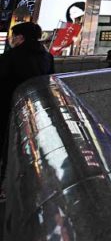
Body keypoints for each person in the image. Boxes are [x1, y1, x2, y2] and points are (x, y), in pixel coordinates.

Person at [1, 22, 55, 198]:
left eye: (14, 36)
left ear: (20, 37)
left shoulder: (10, 57)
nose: (12, 39)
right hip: (35, 110)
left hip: (8, 109)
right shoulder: (47, 57)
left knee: (6, 147)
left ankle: (4, 184)